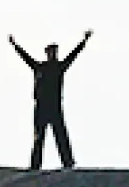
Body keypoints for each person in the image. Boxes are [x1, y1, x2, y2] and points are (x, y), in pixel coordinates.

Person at [8, 30, 92, 170]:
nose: (53, 54)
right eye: (51, 51)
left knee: (60, 134)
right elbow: (25, 57)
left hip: (54, 106)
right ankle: (35, 165)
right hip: (41, 106)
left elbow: (73, 55)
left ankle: (68, 163)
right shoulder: (40, 67)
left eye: (55, 52)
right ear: (47, 53)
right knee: (39, 137)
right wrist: (15, 45)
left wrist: (84, 41)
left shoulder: (59, 67)